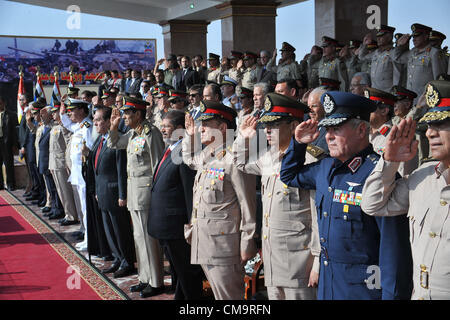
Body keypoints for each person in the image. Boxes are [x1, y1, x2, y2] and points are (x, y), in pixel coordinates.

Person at [279, 91, 413, 299]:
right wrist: (298, 144)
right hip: (330, 285)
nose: (328, 136)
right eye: (327, 129)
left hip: (363, 291)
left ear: (361, 130)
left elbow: (393, 251)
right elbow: (289, 175)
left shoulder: (379, 174)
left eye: (336, 129)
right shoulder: (325, 168)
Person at [361, 79, 450, 300]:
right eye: (429, 125)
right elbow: (372, 204)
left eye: (440, 125)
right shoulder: (423, 176)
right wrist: (389, 161)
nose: (430, 133)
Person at [233, 93, 319, 300]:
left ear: (293, 126)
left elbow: (317, 217)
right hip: (272, 260)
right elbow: (240, 163)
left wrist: (317, 262)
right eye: (265, 125)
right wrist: (242, 137)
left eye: (275, 125)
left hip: (300, 263)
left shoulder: (311, 159)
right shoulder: (268, 157)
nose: (267, 131)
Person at [182, 100, 257, 300]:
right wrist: (189, 137)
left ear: (223, 128)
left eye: (206, 124)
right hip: (205, 241)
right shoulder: (209, 154)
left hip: (225, 246)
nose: (201, 128)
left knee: (229, 298)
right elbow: (188, 159)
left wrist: (247, 242)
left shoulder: (235, 158)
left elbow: (247, 204)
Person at [107, 96, 165, 298]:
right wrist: (113, 127)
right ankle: (144, 278)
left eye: (127, 113)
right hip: (134, 193)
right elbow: (113, 144)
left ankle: (156, 281)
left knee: (149, 240)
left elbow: (158, 166)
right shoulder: (133, 134)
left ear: (138, 114)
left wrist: (157, 196)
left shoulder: (151, 133)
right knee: (139, 238)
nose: (123, 117)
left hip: (146, 192)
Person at [148, 110, 204, 300]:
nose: (162, 129)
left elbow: (190, 193)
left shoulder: (184, 154)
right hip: (166, 225)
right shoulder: (171, 148)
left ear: (180, 129)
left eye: (167, 126)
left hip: (177, 226)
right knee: (178, 271)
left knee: (187, 273)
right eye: (162, 126)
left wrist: (192, 223)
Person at [91, 106, 136, 278]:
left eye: (98, 120)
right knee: (109, 229)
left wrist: (122, 195)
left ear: (109, 121)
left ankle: (127, 261)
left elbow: (120, 169)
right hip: (102, 191)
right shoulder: (100, 140)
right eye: (94, 119)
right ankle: (117, 258)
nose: (95, 123)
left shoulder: (116, 140)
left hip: (115, 192)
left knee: (120, 229)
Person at [60, 98, 94, 251]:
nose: (70, 112)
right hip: (78, 173)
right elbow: (66, 123)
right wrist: (62, 108)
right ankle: (87, 235)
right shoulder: (79, 126)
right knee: (82, 207)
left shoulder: (87, 127)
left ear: (81, 110)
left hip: (84, 174)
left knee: (86, 208)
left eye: (72, 110)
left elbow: (90, 150)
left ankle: (90, 238)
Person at [394, 24, 448, 100]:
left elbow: (439, 81)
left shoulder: (434, 53)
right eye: (413, 36)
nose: (413, 39)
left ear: (426, 36)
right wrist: (399, 46)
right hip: (410, 100)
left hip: (426, 100)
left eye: (417, 36)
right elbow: (397, 59)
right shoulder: (412, 53)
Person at [48, 103, 79, 226]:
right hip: (54, 162)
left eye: (55, 112)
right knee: (61, 191)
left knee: (66, 191)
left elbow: (67, 145)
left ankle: (72, 215)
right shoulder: (55, 126)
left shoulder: (65, 127)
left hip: (61, 162)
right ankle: (68, 213)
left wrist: (67, 162)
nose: (53, 114)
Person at [358, 25, 402, 93]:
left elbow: (397, 76)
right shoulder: (376, 53)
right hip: (374, 93)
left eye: (381, 36)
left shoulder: (393, 53)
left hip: (387, 94)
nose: (378, 39)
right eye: (378, 36)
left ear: (389, 37)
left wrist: (395, 94)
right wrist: (364, 44)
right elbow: (362, 57)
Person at [0, 95, 18, 190]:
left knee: (8, 164)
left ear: (3, 103)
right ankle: (0, 184)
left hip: (6, 142)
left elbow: (14, 132)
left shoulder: (10, 114)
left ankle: (11, 184)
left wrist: (15, 144)